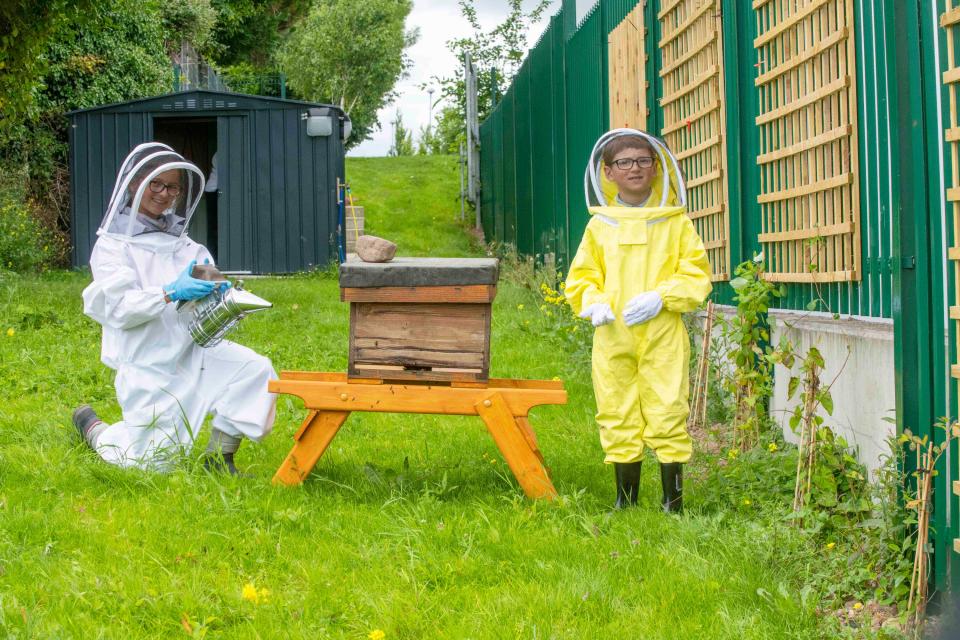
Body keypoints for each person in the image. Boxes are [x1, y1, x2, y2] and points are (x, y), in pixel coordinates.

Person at [72, 142, 277, 473]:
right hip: (146, 361)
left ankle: (218, 459)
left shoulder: (187, 247)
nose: (165, 194)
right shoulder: (112, 247)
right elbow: (120, 309)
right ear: (136, 183)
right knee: (153, 464)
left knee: (255, 370)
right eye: (157, 184)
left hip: (193, 350)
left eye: (173, 187)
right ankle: (95, 431)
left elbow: (203, 291)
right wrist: (168, 292)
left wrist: (218, 293)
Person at [564, 129, 712, 513]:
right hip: (613, 334)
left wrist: (662, 297)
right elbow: (582, 278)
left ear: (656, 167)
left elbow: (696, 275)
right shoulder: (600, 226)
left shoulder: (675, 223)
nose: (635, 168)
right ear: (608, 172)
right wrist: (593, 304)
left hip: (662, 334)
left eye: (643, 160)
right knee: (616, 411)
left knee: (667, 409)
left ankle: (672, 504)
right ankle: (624, 502)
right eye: (625, 162)